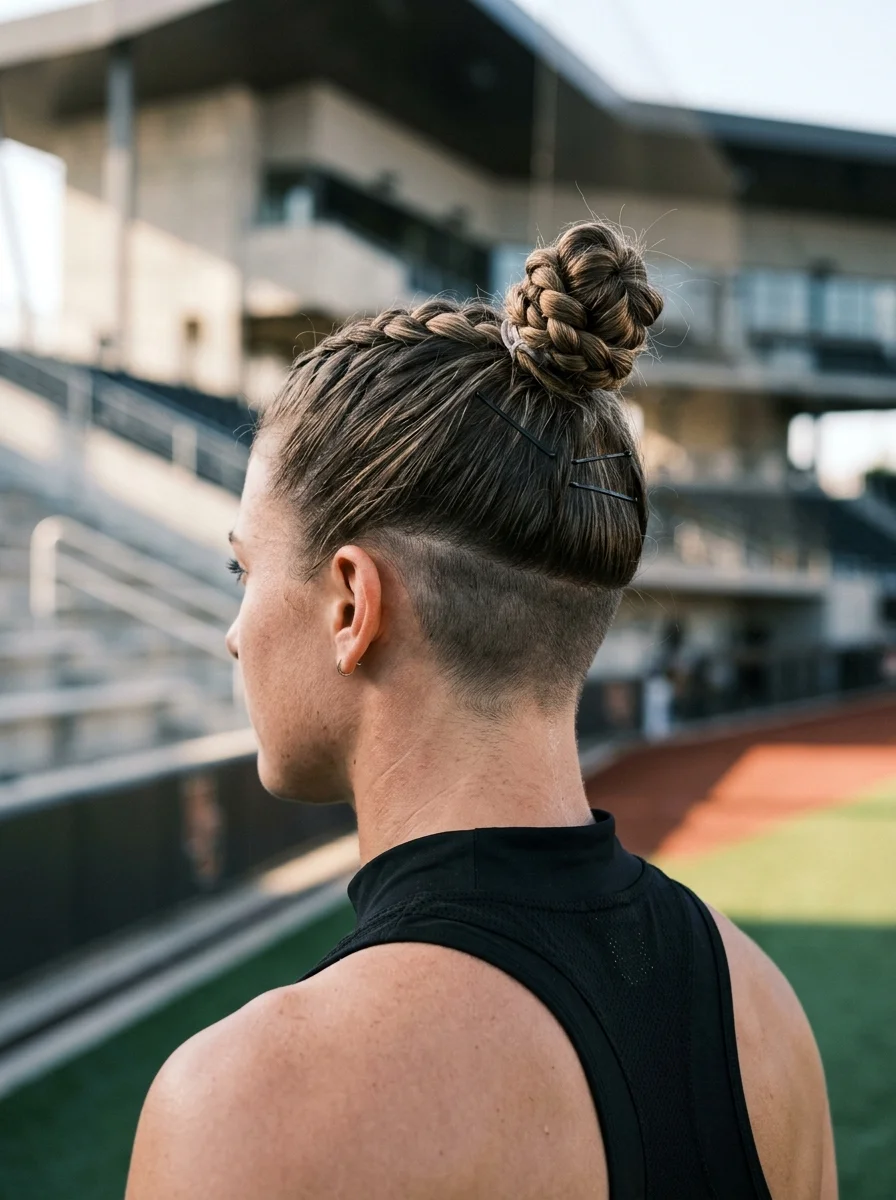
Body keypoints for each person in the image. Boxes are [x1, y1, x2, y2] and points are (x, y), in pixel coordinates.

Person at [125, 221, 836, 1199]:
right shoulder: (764, 1015)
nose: (234, 632)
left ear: (349, 604)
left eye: (241, 568)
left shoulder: (240, 1106)